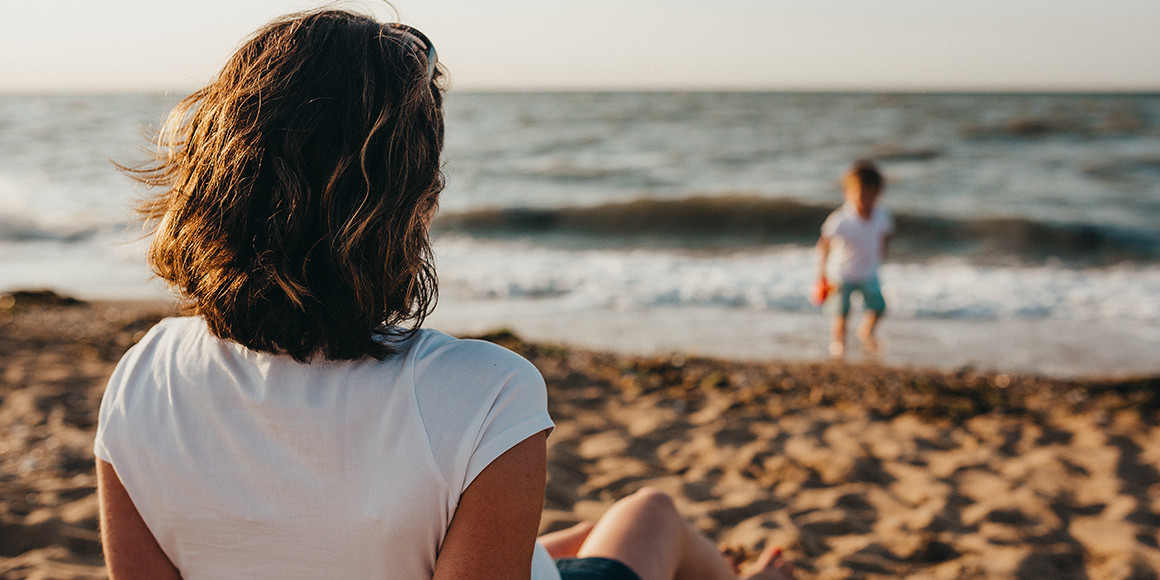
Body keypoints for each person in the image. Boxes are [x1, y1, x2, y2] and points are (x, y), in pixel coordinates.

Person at [94, 7, 795, 580]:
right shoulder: (487, 395)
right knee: (654, 514)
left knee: (564, 540)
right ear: (413, 208)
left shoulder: (140, 380)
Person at [815, 159, 894, 358]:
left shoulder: (882, 216)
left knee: (879, 307)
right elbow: (824, 244)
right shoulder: (841, 219)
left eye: (871, 195)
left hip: (869, 272)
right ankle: (838, 346)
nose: (866, 201)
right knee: (841, 313)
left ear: (878, 194)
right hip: (841, 273)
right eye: (861, 195)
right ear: (847, 193)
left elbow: (884, 236)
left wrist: (881, 254)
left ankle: (865, 331)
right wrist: (821, 274)